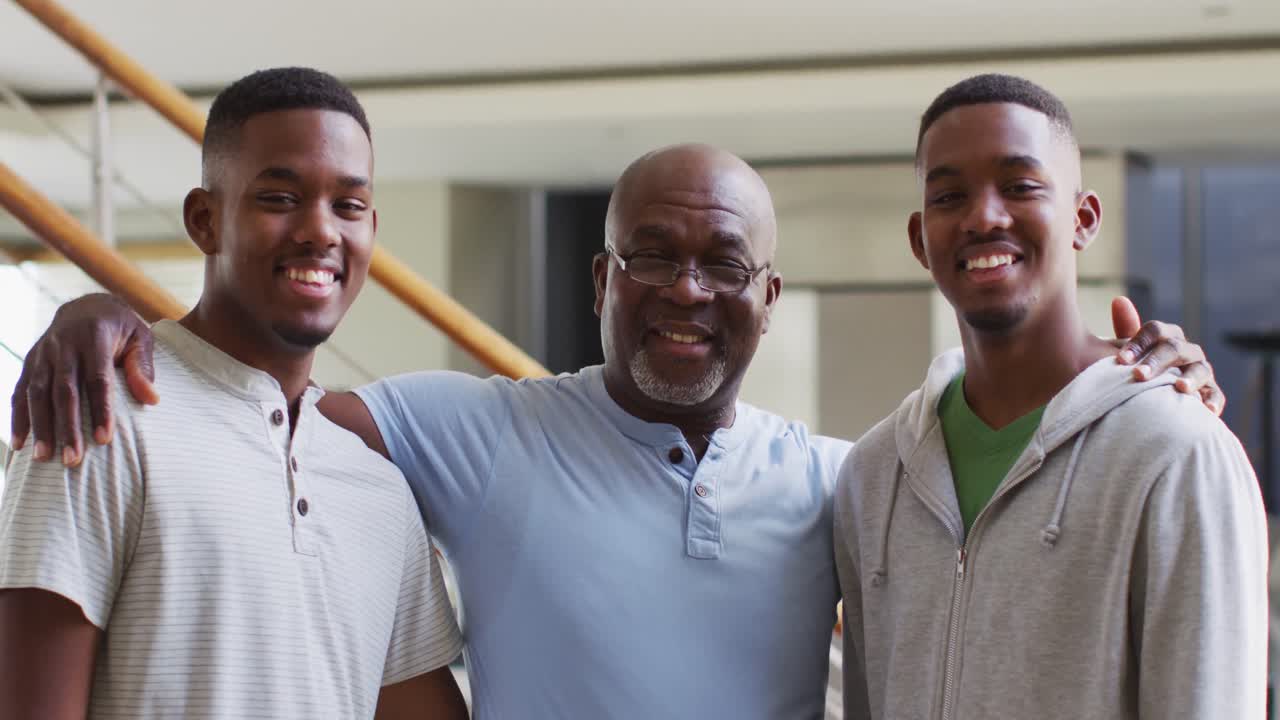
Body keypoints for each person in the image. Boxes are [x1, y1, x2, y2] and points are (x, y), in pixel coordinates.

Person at [8, 143, 1222, 719]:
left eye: (722, 265)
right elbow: (247, 406)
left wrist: (1146, 379)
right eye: (650, 256)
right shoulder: (467, 433)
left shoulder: (845, 482)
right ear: (600, 280)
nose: (685, 291)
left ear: (767, 298)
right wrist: (110, 322)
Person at [0, 68, 465, 719]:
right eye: (279, 197)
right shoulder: (103, 413)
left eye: (348, 205)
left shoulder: (379, 490)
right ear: (204, 219)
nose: (320, 230)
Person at [833, 73, 1267, 719]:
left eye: (1020, 186)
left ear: (1083, 219)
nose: (984, 216)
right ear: (921, 239)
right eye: (950, 195)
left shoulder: (1177, 452)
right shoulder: (872, 477)